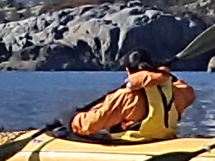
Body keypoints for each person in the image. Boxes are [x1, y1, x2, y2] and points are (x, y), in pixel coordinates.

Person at [65, 52, 196, 143]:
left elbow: (90, 125)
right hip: (164, 140)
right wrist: (164, 74)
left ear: (128, 70)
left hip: (134, 144)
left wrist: (71, 119)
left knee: (71, 133)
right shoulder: (176, 91)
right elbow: (190, 93)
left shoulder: (125, 96)